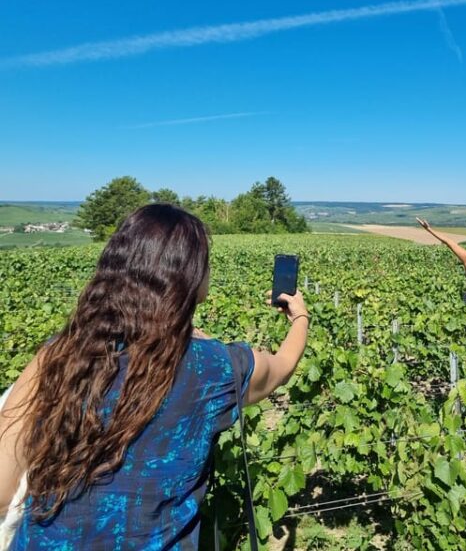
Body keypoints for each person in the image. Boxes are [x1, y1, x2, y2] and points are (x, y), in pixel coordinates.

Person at [0, 204, 309, 549]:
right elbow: (281, 366)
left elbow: (1, 488)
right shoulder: (215, 368)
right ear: (191, 277)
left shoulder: (60, 353)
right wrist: (300, 318)